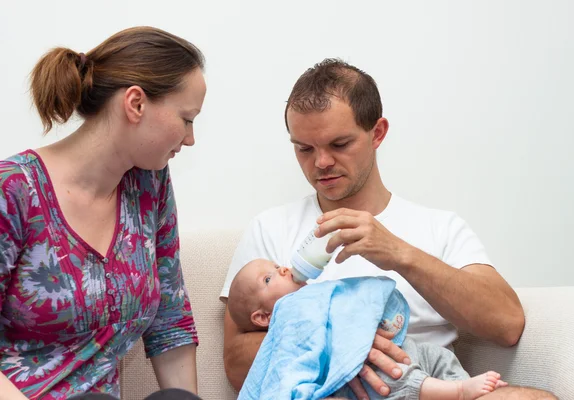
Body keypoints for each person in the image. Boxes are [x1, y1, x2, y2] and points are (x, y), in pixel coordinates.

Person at [221, 59, 556, 399]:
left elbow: (507, 324)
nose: (321, 162)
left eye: (339, 144)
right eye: (304, 148)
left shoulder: (440, 227)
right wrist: (344, 349)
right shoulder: (270, 228)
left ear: (377, 133)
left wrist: (400, 254)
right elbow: (236, 362)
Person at [0, 26, 206, 399]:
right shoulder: (13, 190)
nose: (190, 138)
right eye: (187, 119)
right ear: (136, 104)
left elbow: (169, 320)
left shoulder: (149, 184)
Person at [229, 258, 508, 400]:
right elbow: (291, 364)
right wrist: (348, 347)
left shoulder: (316, 293)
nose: (282, 271)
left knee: (440, 357)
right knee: (393, 376)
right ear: (263, 318)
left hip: (407, 347)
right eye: (268, 278)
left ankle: (464, 387)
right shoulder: (291, 314)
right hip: (365, 375)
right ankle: (457, 391)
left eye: (277, 266)